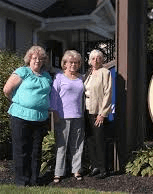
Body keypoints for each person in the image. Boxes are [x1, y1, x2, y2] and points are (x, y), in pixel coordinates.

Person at [3, 45, 52, 186]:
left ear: (43, 61)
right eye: (34, 57)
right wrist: (18, 101)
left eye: (40, 58)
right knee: (21, 150)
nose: (37, 60)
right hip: (20, 116)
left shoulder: (46, 76)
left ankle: (34, 180)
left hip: (40, 117)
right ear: (29, 58)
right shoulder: (22, 72)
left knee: (36, 150)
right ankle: (22, 182)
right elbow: (7, 89)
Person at [50, 50, 85, 183]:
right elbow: (53, 96)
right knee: (61, 145)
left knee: (77, 145)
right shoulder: (59, 77)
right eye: (70, 62)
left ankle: (76, 170)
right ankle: (58, 172)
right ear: (65, 63)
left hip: (78, 115)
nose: (73, 65)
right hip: (62, 116)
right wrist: (55, 113)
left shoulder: (81, 77)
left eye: (76, 62)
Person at [84, 49, 112, 179]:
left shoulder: (105, 73)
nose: (96, 60)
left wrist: (102, 113)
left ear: (102, 60)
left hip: (97, 111)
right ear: (90, 60)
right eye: (93, 58)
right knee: (90, 139)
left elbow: (108, 93)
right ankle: (94, 166)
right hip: (86, 110)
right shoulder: (88, 73)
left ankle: (103, 169)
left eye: (99, 58)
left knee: (100, 140)